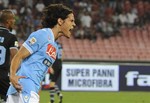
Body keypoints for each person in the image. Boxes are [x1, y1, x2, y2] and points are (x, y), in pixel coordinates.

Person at [6, 4, 76, 103]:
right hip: (24, 87)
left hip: (28, 89)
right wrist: (12, 76)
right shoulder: (42, 34)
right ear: (60, 21)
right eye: (71, 20)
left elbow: (40, 73)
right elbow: (18, 56)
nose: (74, 24)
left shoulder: (54, 47)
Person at [0, 9, 18, 102]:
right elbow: (15, 57)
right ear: (8, 21)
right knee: (14, 98)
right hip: (3, 76)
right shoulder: (11, 37)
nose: (14, 21)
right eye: (13, 19)